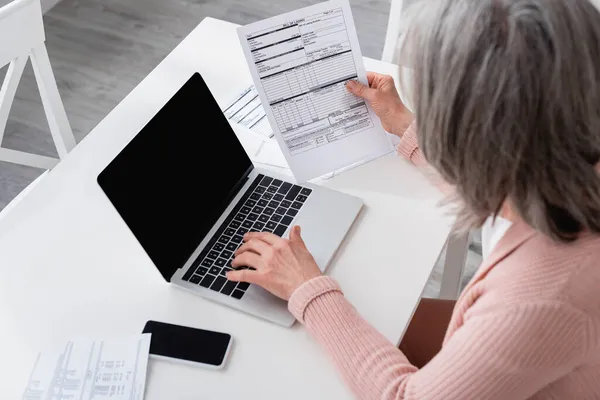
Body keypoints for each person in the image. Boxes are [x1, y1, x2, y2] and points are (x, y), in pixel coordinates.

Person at [227, 0, 600, 398]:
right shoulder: (568, 167)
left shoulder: (538, 301)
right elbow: (515, 180)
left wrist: (308, 289)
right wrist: (405, 125)